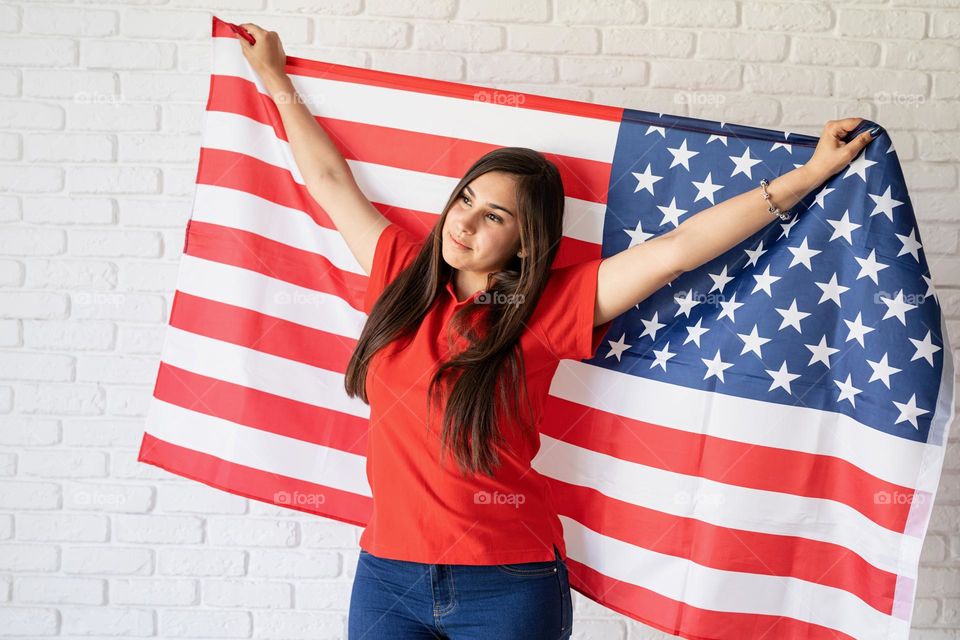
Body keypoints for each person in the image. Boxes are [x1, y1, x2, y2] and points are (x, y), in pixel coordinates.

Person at [234, 22, 878, 640]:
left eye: (493, 217)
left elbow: (678, 249)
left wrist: (810, 175)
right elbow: (327, 179)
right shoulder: (401, 272)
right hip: (386, 578)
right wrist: (274, 78)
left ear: (524, 239)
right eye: (464, 200)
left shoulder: (546, 307)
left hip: (507, 585)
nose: (465, 224)